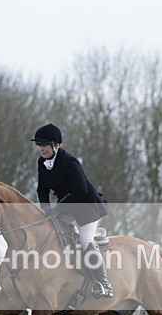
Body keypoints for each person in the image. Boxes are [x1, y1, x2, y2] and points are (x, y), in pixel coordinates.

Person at [32, 123, 113, 298]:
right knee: (52, 234)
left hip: (87, 207)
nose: (41, 149)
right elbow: (42, 189)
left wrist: (58, 209)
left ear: (56, 145)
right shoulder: (42, 162)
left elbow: (80, 190)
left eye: (44, 145)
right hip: (67, 206)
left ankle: (104, 283)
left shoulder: (70, 162)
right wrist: (45, 208)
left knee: (85, 241)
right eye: (39, 145)